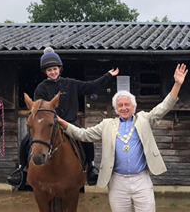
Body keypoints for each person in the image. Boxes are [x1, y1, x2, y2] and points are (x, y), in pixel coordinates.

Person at [58, 64, 188, 212]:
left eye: (127, 104)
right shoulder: (107, 125)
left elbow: (164, 107)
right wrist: (61, 122)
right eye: (120, 105)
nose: (124, 108)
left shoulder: (145, 119)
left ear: (133, 107)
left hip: (141, 180)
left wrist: (176, 84)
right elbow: (83, 135)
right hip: (117, 181)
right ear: (115, 108)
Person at [8, 47, 118, 189]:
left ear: (60, 68)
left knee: (86, 139)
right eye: (49, 70)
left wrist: (108, 75)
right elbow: (38, 111)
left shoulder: (70, 83)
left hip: (69, 123)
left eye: (55, 69)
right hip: (48, 125)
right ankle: (21, 171)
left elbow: (92, 86)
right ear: (45, 72)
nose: (52, 72)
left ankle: (90, 167)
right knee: (25, 141)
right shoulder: (41, 88)